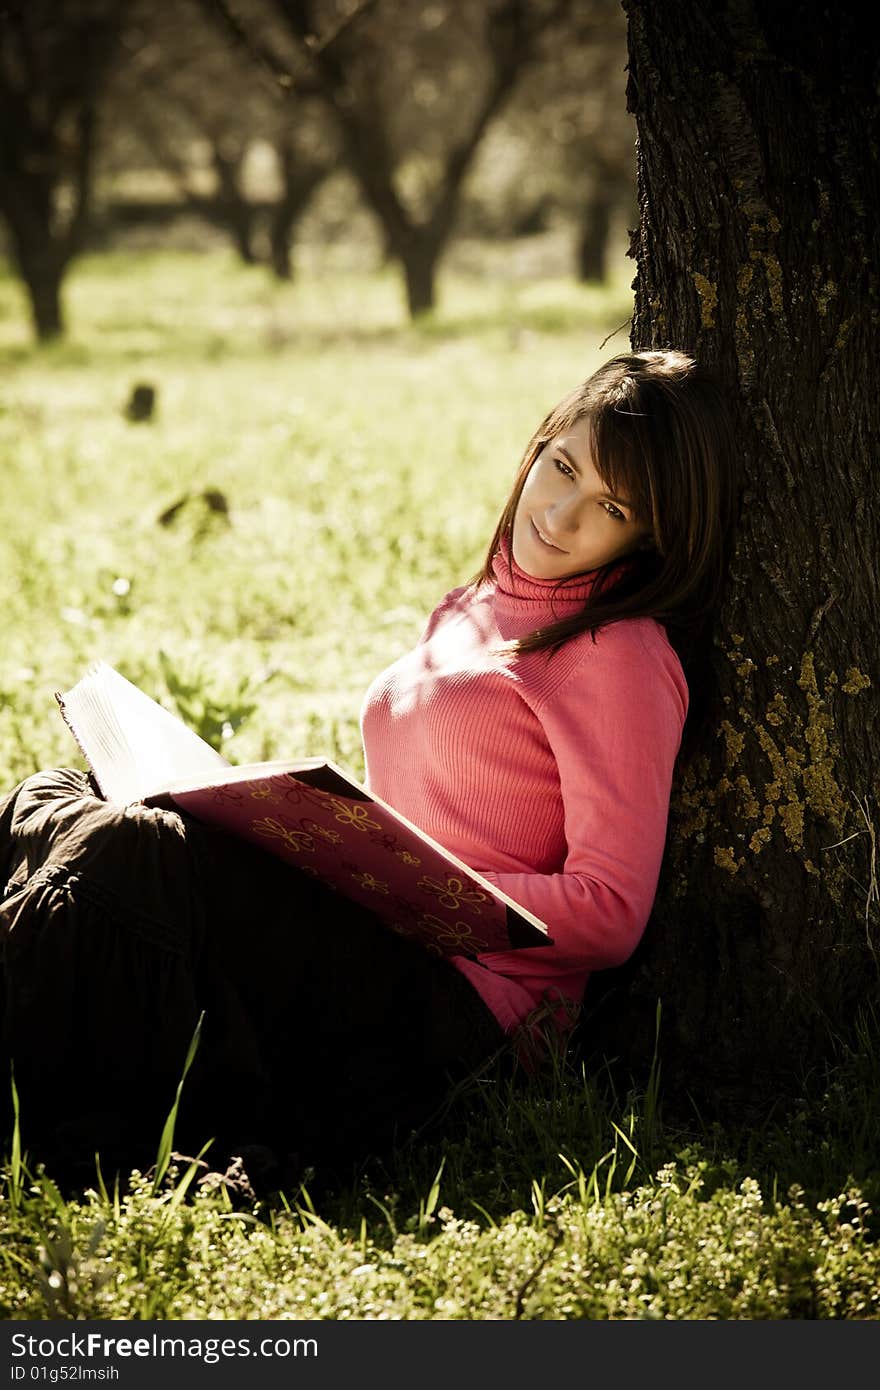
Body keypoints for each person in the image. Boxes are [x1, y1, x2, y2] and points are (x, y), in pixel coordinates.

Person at [0, 350, 736, 1190]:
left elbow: (611, 913)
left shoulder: (617, 655)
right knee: (54, 799)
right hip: (374, 925)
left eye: (609, 507)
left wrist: (413, 891)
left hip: (455, 1008)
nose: (561, 516)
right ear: (539, 444)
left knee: (131, 853)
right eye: (562, 467)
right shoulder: (475, 604)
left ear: (650, 535)